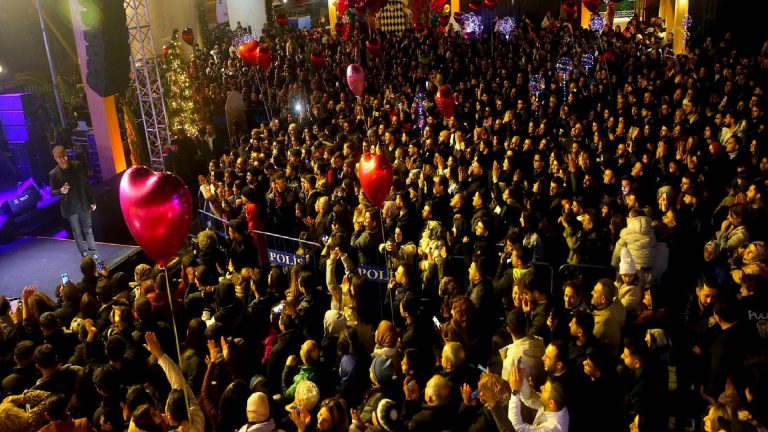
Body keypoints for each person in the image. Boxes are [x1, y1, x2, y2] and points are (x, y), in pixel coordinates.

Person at [49, 145, 98, 260]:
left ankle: (94, 252)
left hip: (83, 203)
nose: (63, 159)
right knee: (77, 232)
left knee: (88, 229)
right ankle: (84, 254)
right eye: (59, 157)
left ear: (67, 155)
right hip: (70, 207)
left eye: (64, 156)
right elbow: (52, 192)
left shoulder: (78, 166)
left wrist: (92, 200)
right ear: (55, 158)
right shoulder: (53, 173)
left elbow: (86, 184)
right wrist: (61, 191)